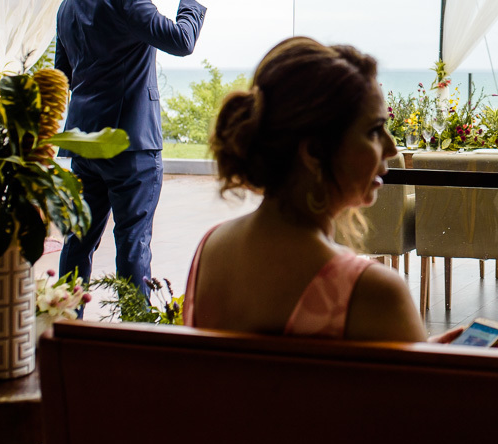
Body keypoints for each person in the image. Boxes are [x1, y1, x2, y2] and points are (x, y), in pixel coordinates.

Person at [184, 38, 447, 342]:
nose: (390, 148)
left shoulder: (210, 250)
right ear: (314, 152)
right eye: (374, 131)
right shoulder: (371, 293)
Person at [56, 0, 206, 297]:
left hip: (84, 144)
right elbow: (181, 40)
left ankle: (63, 322)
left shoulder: (68, 6)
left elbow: (64, 76)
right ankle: (134, 330)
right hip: (131, 144)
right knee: (133, 244)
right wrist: (188, 0)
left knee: (78, 241)